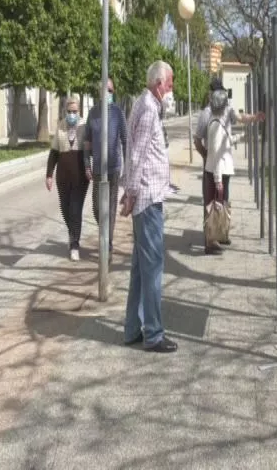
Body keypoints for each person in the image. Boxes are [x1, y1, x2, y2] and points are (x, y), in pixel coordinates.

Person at [119, 60, 177, 353]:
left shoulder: (148, 105)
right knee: (152, 269)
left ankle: (132, 328)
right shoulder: (148, 109)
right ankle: (153, 333)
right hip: (147, 201)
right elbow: (137, 155)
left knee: (140, 270)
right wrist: (129, 193)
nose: (171, 89)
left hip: (146, 197)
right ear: (158, 84)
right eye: (170, 83)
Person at [193, 77, 264, 248]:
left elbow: (239, 117)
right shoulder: (206, 114)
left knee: (222, 200)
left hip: (222, 164)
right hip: (214, 164)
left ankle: (221, 232)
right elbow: (197, 140)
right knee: (212, 201)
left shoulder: (225, 110)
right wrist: (207, 156)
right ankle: (211, 238)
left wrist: (254, 118)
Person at [83, 78, 127, 261]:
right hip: (98, 170)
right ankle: (104, 232)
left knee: (110, 207)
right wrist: (86, 164)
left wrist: (129, 167)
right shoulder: (92, 113)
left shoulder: (118, 113)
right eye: (104, 90)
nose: (107, 93)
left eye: (110, 90)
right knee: (96, 208)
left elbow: (125, 139)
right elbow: (86, 143)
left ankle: (107, 245)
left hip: (113, 168)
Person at [45, 97, 89, 261]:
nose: (71, 114)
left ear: (79, 111)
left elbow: (90, 150)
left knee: (75, 210)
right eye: (69, 111)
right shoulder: (60, 127)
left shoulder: (84, 127)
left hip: (80, 178)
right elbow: (54, 152)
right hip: (63, 178)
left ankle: (74, 245)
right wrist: (49, 174)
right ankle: (73, 235)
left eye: (74, 111)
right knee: (65, 209)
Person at [202, 89, 235, 254]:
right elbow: (214, 152)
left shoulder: (218, 121)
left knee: (219, 206)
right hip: (217, 172)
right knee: (214, 208)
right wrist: (217, 179)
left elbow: (224, 142)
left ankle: (218, 237)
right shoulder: (215, 124)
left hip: (220, 170)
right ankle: (210, 242)